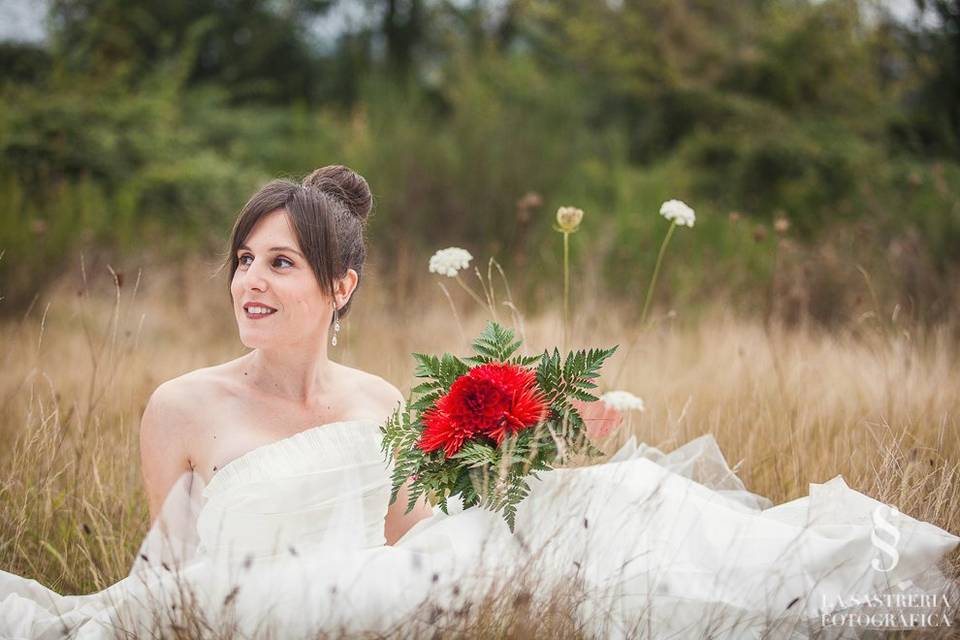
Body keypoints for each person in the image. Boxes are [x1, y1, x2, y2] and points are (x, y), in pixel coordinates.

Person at [2, 166, 958, 639]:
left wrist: (528, 443)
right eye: (243, 261)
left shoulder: (382, 402)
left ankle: (875, 585)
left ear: (343, 287)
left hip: (381, 593)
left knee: (607, 505)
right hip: (252, 608)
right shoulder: (182, 406)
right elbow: (162, 566)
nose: (250, 281)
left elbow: (414, 533)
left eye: (281, 263)